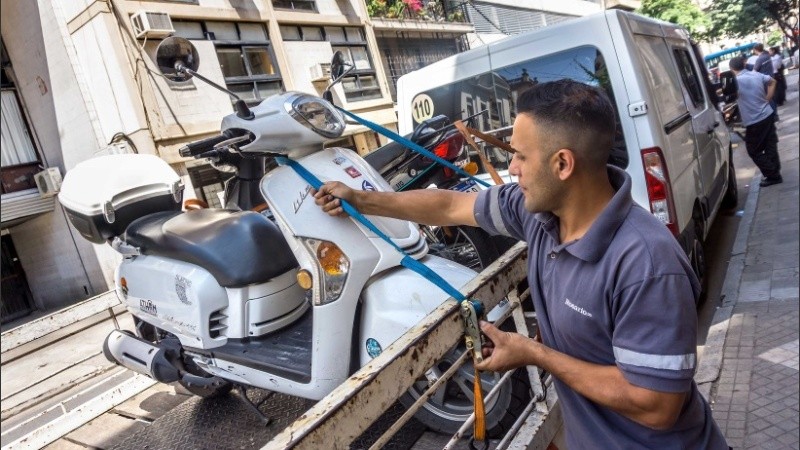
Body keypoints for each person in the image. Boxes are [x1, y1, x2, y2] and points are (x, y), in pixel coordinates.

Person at [314, 80, 729, 449]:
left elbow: (657, 406)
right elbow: (450, 205)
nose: (510, 168)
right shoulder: (540, 215)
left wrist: (534, 353)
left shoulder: (647, 264)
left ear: (562, 164)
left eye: (519, 156)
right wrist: (362, 199)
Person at [729, 56, 782, 187]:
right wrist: (767, 98)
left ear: (731, 69)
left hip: (754, 120)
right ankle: (775, 173)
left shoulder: (736, 82)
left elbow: (729, 95)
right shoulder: (755, 74)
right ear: (743, 64)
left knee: (753, 150)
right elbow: (773, 81)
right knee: (770, 143)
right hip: (767, 113)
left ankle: (773, 175)